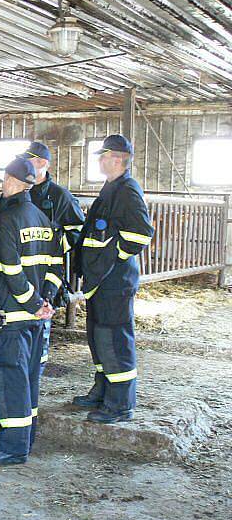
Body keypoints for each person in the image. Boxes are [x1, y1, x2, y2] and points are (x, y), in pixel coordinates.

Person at [0, 157, 62, 466]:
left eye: (5, 180)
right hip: (38, 320)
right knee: (30, 379)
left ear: (16, 183)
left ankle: (12, 447)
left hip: (15, 316)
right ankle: (25, 436)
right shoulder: (42, 219)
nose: (2, 185)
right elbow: (56, 267)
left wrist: (33, 304)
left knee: (10, 381)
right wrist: (46, 301)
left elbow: (11, 270)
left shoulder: (8, 220)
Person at [72, 135, 154, 423]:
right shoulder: (112, 188)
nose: (99, 160)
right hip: (100, 280)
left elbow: (141, 234)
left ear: (117, 158)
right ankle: (103, 390)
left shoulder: (127, 191)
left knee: (115, 339)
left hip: (114, 280)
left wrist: (111, 256)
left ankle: (120, 404)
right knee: (99, 336)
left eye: (103, 156)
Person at [17, 142, 85, 376]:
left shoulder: (60, 196)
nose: (25, 166)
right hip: (19, 266)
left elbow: (77, 231)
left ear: (43, 163)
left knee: (41, 313)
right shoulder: (20, 190)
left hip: (46, 268)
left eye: (30, 161)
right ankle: (21, 364)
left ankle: (37, 367)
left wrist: (53, 247)